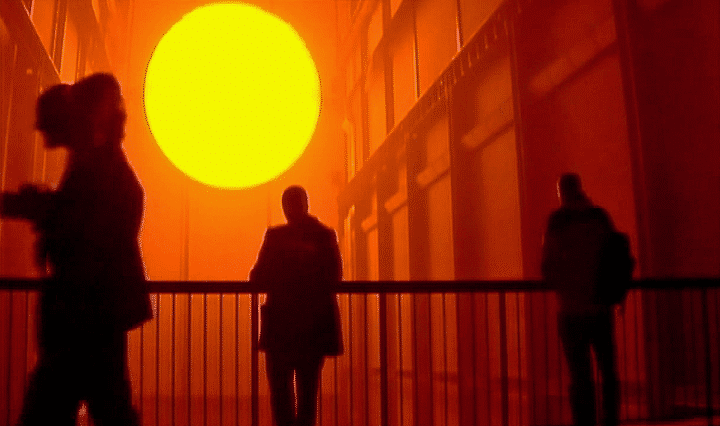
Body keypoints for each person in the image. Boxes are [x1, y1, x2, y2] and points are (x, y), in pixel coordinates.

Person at [18, 73, 151, 425]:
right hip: (96, 311)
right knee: (108, 405)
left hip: (83, 311)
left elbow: (87, 224)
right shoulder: (101, 165)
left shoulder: (96, 167)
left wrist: (46, 211)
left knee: (52, 408)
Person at [250, 185, 343, 426]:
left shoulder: (275, 237)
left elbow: (257, 277)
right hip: (313, 328)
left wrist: (282, 277)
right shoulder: (324, 235)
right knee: (307, 393)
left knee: (280, 394)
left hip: (280, 327)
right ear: (307, 204)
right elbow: (334, 276)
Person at [541, 173, 619, 426]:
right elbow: (613, 255)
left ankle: (584, 421)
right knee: (608, 370)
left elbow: (548, 264)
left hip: (572, 309)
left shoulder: (557, 222)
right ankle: (610, 419)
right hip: (601, 306)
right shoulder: (600, 217)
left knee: (580, 374)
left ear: (561, 192)